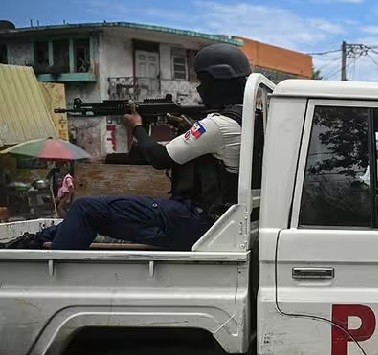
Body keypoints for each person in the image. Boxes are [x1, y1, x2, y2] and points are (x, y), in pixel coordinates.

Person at [2, 43, 251, 250]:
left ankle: (50, 272)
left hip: (196, 220)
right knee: (95, 211)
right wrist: (182, 128)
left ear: (218, 81)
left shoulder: (217, 125)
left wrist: (137, 125)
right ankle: (36, 241)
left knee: (86, 208)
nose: (199, 88)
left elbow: (159, 158)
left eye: (203, 80)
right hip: (213, 218)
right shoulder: (246, 119)